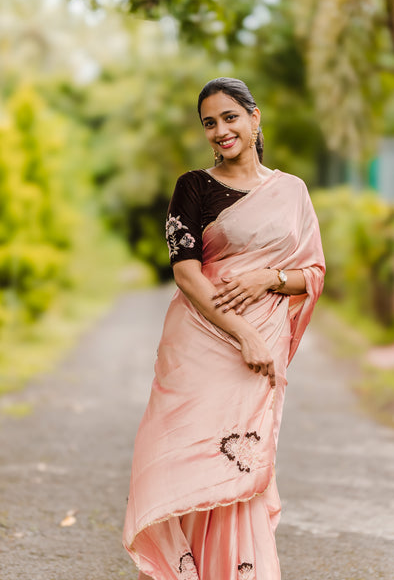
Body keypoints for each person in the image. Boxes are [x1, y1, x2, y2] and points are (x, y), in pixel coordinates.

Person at [123, 77, 325, 580]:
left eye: (230, 117)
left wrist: (269, 277)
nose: (220, 130)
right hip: (201, 344)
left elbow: (313, 275)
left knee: (237, 462)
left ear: (255, 118)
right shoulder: (192, 187)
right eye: (209, 123)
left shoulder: (291, 191)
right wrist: (245, 334)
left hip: (261, 345)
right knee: (182, 459)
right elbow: (187, 273)